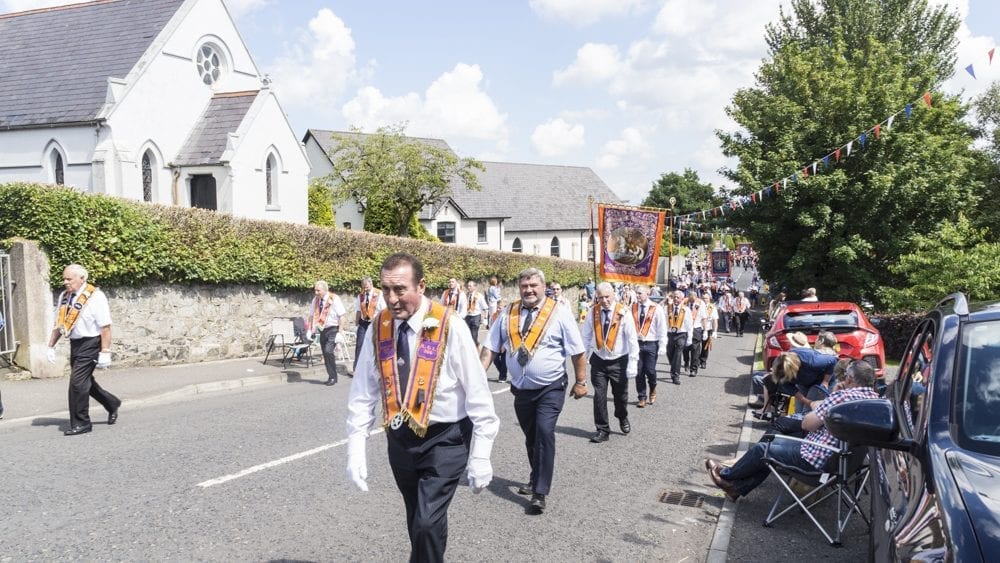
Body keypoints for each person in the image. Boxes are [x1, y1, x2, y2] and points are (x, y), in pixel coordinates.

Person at [346, 253, 499, 562]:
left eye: (400, 289)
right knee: (418, 518)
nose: (391, 298)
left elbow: (478, 394)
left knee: (427, 522)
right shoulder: (380, 326)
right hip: (400, 439)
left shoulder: (449, 325)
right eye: (386, 289)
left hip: (445, 439)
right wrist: (355, 448)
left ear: (421, 286)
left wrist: (481, 454)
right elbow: (364, 391)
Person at [481, 267, 587, 513]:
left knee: (544, 431)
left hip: (551, 387)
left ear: (543, 286)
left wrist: (581, 381)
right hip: (521, 389)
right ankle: (535, 475)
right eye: (524, 286)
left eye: (533, 286)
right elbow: (490, 348)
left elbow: (578, 350)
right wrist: (476, 380)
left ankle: (540, 491)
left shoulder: (559, 313)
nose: (528, 290)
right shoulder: (508, 313)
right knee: (531, 437)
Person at [706, 361, 880, 500]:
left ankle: (727, 476)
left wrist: (833, 393)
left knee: (764, 448)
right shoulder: (875, 401)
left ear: (849, 379)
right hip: (845, 464)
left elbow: (807, 425)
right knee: (772, 445)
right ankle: (736, 488)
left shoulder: (842, 397)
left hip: (817, 460)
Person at [46, 264, 121, 436]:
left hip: (92, 343)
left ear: (82, 278)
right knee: (85, 382)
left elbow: (105, 327)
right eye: (64, 278)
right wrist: (51, 345)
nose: (65, 282)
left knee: (77, 383)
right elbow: (60, 324)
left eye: (69, 279)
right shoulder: (64, 297)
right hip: (76, 343)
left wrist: (105, 351)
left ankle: (82, 423)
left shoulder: (96, 297)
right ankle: (112, 403)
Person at [580, 282, 638, 443]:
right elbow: (585, 336)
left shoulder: (623, 312)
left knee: (620, 396)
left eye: (607, 297)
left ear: (613, 294)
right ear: (596, 297)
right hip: (599, 360)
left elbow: (632, 339)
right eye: (600, 297)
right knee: (599, 396)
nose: (604, 300)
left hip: (619, 360)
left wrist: (633, 362)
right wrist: (583, 359)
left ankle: (622, 416)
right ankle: (602, 429)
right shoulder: (593, 312)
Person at [631, 285, 667, 408]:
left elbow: (662, 328)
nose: (638, 295)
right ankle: (641, 397)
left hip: (651, 343)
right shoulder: (633, 307)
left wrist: (663, 344)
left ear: (648, 293)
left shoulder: (656, 308)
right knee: (639, 371)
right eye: (637, 293)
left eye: (640, 293)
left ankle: (653, 387)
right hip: (636, 343)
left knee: (650, 371)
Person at [309, 280, 347, 386]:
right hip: (322, 329)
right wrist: (310, 330)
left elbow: (342, 316)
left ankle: (333, 377)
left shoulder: (334, 299)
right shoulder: (315, 300)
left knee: (328, 350)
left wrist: (340, 331)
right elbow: (311, 315)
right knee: (325, 354)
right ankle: (331, 376)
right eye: (315, 290)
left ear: (325, 290)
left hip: (333, 329)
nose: (316, 293)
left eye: (318, 290)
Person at [353, 277, 385, 370]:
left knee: (375, 344)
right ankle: (357, 368)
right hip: (363, 323)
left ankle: (377, 366)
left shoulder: (380, 294)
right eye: (363, 287)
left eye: (366, 287)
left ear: (371, 284)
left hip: (375, 322)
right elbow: (358, 311)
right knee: (359, 344)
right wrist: (356, 324)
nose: (365, 289)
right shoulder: (361, 296)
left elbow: (383, 310)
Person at [665, 290, 694, 385]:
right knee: (670, 354)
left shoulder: (686, 310)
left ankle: (675, 376)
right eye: (674, 297)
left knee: (677, 355)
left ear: (682, 299)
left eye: (678, 298)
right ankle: (674, 367)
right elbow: (662, 323)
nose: (676, 299)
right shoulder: (667, 308)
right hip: (670, 334)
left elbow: (689, 325)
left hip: (681, 334)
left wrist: (690, 338)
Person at [683, 292, 707, 376]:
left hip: (696, 328)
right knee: (685, 348)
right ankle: (686, 361)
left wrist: (705, 330)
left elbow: (704, 317)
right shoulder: (684, 302)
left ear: (696, 297)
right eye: (690, 299)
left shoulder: (701, 303)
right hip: (685, 329)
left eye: (693, 299)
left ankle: (693, 369)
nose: (692, 300)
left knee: (695, 349)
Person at [462, 280, 489, 347]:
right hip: (467, 316)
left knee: (474, 334)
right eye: (468, 286)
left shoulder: (479, 296)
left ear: (474, 287)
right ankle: (476, 346)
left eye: (470, 286)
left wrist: (485, 318)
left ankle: (473, 350)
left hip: (476, 316)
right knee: (467, 334)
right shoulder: (465, 295)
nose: (468, 287)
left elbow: (485, 307)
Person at [699, 291, 720, 370]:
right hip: (698, 328)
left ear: (709, 299)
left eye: (706, 298)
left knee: (705, 346)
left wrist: (715, 331)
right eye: (703, 298)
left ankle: (703, 361)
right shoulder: (698, 306)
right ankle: (696, 360)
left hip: (708, 329)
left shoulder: (712, 307)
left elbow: (715, 320)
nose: (705, 300)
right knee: (696, 346)